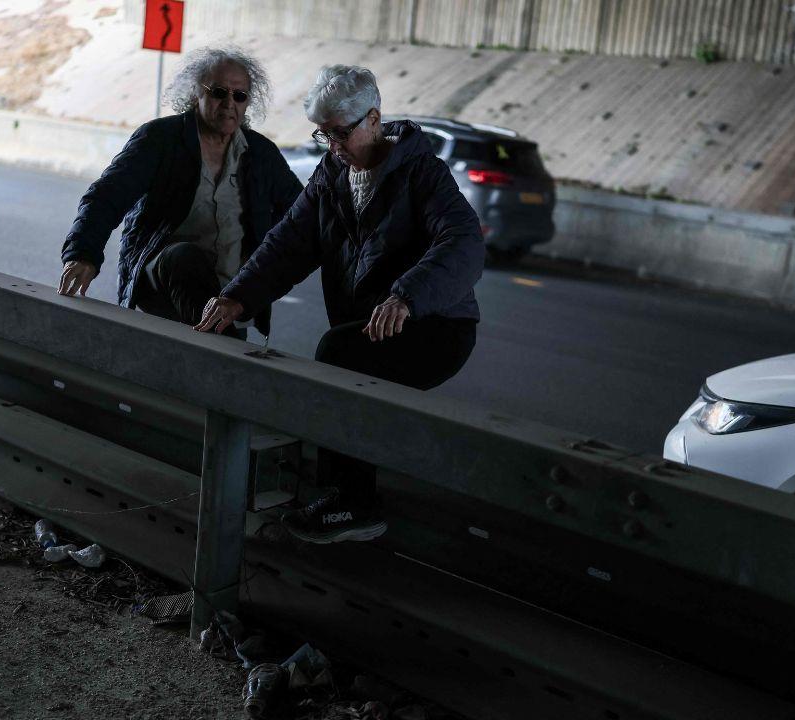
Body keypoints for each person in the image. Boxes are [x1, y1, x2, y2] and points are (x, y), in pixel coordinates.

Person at [196, 65, 485, 543]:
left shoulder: (421, 172)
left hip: (438, 325)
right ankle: (342, 495)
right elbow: (290, 243)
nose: (331, 146)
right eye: (323, 134)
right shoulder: (332, 175)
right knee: (345, 361)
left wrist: (407, 295)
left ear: (373, 119)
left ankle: (353, 504)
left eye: (340, 133)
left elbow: (464, 242)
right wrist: (236, 296)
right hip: (371, 326)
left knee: (338, 356)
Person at [58, 47, 302, 339]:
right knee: (184, 258)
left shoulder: (262, 155)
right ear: (195, 92)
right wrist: (83, 254)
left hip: (230, 295)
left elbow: (301, 216)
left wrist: (259, 272)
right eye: (218, 92)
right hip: (162, 276)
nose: (229, 103)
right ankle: (224, 352)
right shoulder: (160, 139)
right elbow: (107, 195)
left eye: (239, 96)